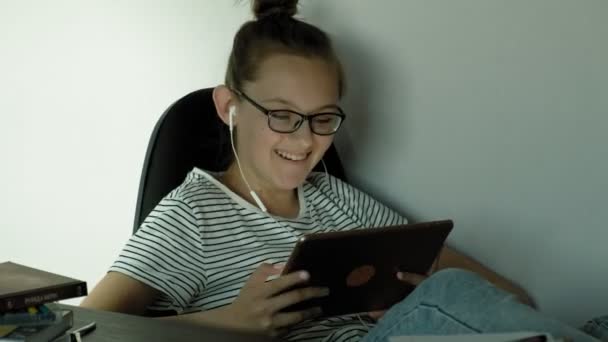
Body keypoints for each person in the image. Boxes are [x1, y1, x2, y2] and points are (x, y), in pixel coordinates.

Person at [81, 1, 598, 341]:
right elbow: (81, 329)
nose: (306, 140)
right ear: (228, 107)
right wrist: (228, 323)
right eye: (281, 115)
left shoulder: (337, 199)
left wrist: (414, 289)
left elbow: (510, 298)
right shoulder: (193, 216)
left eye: (323, 117)